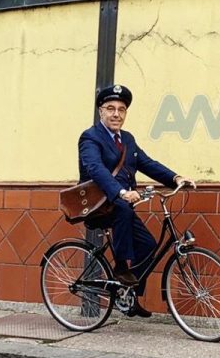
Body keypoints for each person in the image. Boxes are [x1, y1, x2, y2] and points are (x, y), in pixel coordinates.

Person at [78, 84, 195, 318]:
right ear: (100, 111)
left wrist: (175, 177)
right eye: (110, 108)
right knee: (123, 208)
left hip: (122, 207)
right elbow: (96, 169)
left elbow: (147, 163)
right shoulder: (91, 137)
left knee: (149, 246)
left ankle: (128, 295)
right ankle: (121, 266)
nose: (116, 114)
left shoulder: (128, 139)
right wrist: (121, 192)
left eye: (121, 110)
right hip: (100, 204)